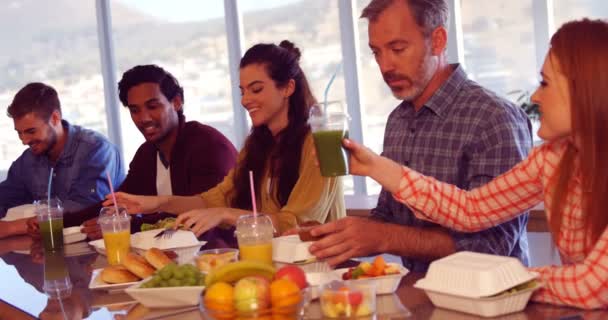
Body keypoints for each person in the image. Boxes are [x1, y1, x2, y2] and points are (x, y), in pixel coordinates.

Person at [340, 18, 608, 310]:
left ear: (587, 90)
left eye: (545, 83)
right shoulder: (553, 159)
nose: (535, 96)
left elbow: (592, 286)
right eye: (376, 52)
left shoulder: (497, 118)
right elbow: (472, 209)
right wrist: (376, 167)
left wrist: (496, 282)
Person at [309, 0, 532, 270]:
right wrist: (329, 238)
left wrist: (385, 238)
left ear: (437, 41)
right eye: (376, 52)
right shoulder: (398, 120)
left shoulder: (494, 118)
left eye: (397, 48)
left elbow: (492, 246)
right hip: (419, 303)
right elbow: (388, 216)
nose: (385, 65)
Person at [107, 41, 345, 236]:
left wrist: (226, 214)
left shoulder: (321, 145)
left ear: (288, 88)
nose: (245, 100)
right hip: (271, 266)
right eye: (242, 91)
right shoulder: (257, 146)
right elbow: (213, 200)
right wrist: (155, 203)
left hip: (319, 269)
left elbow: (294, 224)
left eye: (256, 89)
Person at [30, 65, 238, 242]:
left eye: (152, 106)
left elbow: (202, 218)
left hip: (222, 255)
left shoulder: (208, 146)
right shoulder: (148, 153)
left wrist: (128, 226)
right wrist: (56, 224)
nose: (143, 118)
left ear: (176, 102)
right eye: (135, 110)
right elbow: (119, 203)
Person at [0, 82, 124, 239]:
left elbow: (84, 208)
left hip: (104, 249)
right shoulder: (28, 160)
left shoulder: (96, 149)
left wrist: (11, 227)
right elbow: (4, 197)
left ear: (55, 118)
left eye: (31, 131)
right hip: (54, 252)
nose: (24, 140)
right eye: (19, 133)